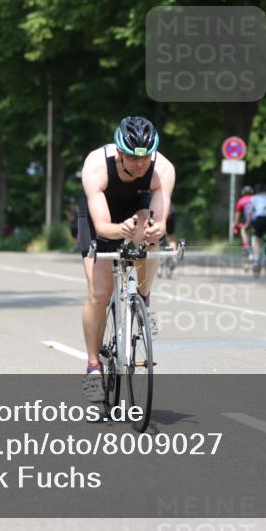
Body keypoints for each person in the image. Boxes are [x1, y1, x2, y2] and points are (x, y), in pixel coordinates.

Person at [78, 116, 175, 401]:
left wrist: (156, 230)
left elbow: (160, 219)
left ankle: (143, 297)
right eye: (132, 158)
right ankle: (93, 368)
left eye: (145, 159)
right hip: (101, 216)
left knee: (150, 234)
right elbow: (102, 228)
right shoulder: (96, 166)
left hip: (138, 208)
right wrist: (120, 230)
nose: (139, 165)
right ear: (118, 151)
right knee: (99, 293)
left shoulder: (163, 169)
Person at [246, 183, 266, 270]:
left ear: (256, 191)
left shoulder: (253, 199)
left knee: (257, 238)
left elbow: (250, 213)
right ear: (265, 191)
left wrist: (247, 224)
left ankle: (256, 261)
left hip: (261, 218)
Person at [233, 185, 254, 249]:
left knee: (243, 229)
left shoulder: (241, 200)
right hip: (258, 218)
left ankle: (246, 246)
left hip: (249, 219)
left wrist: (235, 224)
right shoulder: (255, 198)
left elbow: (237, 214)